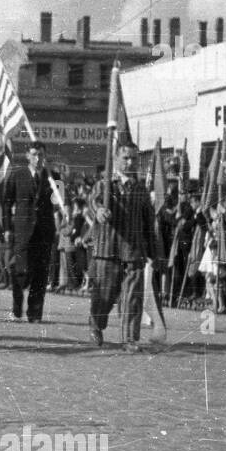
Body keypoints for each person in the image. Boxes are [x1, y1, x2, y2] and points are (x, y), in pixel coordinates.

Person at [88, 141, 161, 351]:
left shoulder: (141, 190)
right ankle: (96, 324)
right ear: (116, 159)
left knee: (132, 298)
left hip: (133, 251)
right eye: (125, 158)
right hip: (107, 250)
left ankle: (129, 339)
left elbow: (149, 223)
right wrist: (99, 211)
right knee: (104, 295)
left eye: (134, 159)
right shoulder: (104, 185)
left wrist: (154, 253)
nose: (130, 162)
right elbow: (94, 202)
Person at [1, 141, 57, 322]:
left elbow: (59, 203)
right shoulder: (18, 175)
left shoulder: (53, 177)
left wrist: (60, 191)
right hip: (23, 231)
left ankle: (35, 313)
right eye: (34, 154)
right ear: (27, 156)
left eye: (41, 154)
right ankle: (17, 308)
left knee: (40, 273)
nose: (38, 158)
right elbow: (7, 203)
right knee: (20, 271)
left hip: (44, 232)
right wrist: (7, 228)